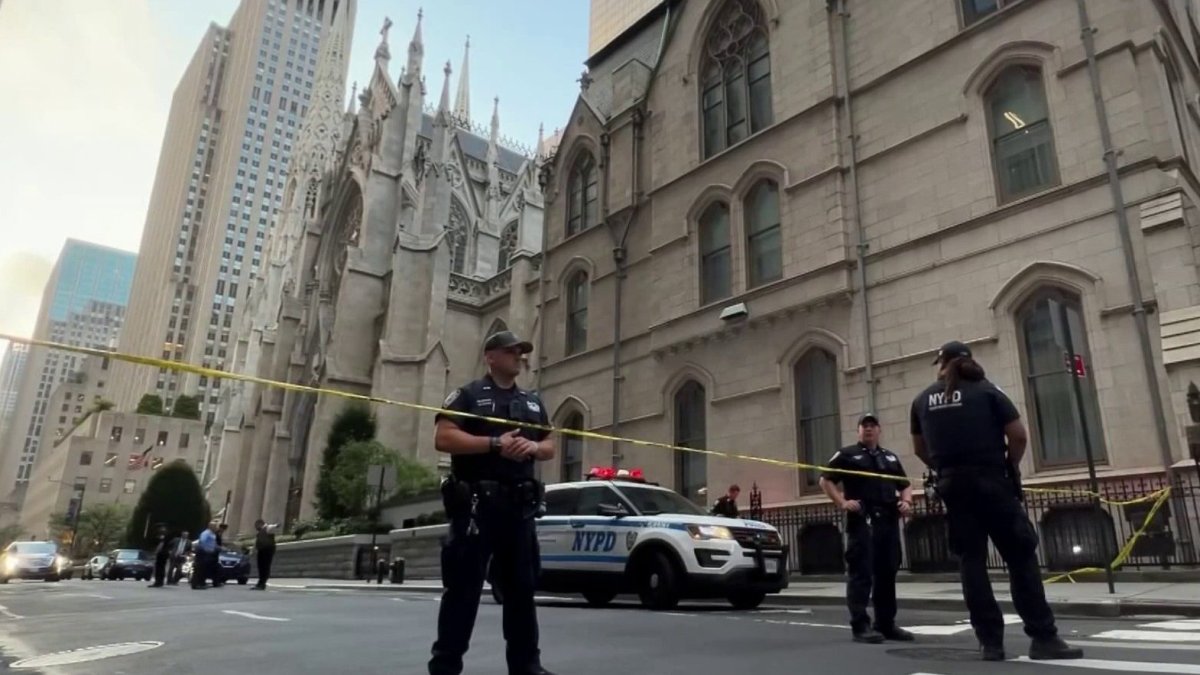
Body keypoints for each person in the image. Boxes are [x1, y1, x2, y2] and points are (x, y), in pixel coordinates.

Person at [910, 340, 1083, 662]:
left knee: (971, 563)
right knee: (1020, 557)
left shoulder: (922, 401)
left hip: (953, 487)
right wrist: (1009, 466)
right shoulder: (989, 391)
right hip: (991, 482)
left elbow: (921, 448)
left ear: (943, 363)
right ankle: (1043, 637)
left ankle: (990, 642)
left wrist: (943, 468)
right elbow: (1018, 435)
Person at [428, 330, 557, 675]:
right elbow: (444, 437)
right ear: (491, 356)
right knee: (463, 591)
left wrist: (532, 448)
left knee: (521, 591)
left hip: (519, 509)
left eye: (522, 352)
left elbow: (549, 445)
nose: (520, 357)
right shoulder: (469, 395)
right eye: (512, 351)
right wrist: (494, 444)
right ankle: (445, 665)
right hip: (476, 507)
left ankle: (527, 665)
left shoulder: (532, 402)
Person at [819, 414, 914, 644]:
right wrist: (842, 502)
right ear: (858, 431)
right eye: (865, 426)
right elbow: (825, 479)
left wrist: (907, 502)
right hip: (863, 521)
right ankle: (860, 625)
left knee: (887, 572)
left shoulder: (889, 457)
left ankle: (885, 624)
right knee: (861, 573)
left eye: (873, 426)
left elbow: (906, 484)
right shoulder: (847, 454)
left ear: (879, 430)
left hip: (887, 521)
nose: (869, 430)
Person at [192, 521, 219, 590]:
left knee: (204, 569)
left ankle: (201, 583)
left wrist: (217, 548)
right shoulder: (206, 533)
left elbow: (213, 544)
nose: (216, 527)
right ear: (210, 526)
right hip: (202, 552)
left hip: (208, 553)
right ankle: (196, 584)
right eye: (215, 526)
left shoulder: (213, 534)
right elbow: (202, 541)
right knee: (199, 568)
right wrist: (206, 550)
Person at [253, 519, 277, 590]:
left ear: (260, 524)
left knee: (265, 567)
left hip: (267, 550)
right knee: (261, 567)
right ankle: (260, 583)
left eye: (256, 526)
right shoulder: (260, 532)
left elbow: (272, 526)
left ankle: (262, 584)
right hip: (261, 550)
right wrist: (252, 551)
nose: (256, 528)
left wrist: (277, 525)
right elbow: (256, 543)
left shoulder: (267, 528)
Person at [148, 524, 169, 588]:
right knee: (162, 567)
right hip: (165, 553)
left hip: (161, 553)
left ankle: (158, 582)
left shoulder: (162, 534)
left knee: (159, 568)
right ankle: (160, 581)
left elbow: (161, 543)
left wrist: (156, 552)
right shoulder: (166, 534)